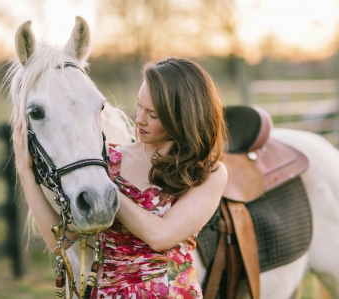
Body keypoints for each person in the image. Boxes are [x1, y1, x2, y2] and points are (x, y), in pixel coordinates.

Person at [13, 57, 228, 299]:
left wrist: (107, 189)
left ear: (182, 117)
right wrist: (24, 171)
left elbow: (161, 236)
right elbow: (62, 242)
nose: (139, 119)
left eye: (153, 115)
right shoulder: (107, 160)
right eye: (139, 106)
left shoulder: (208, 173)